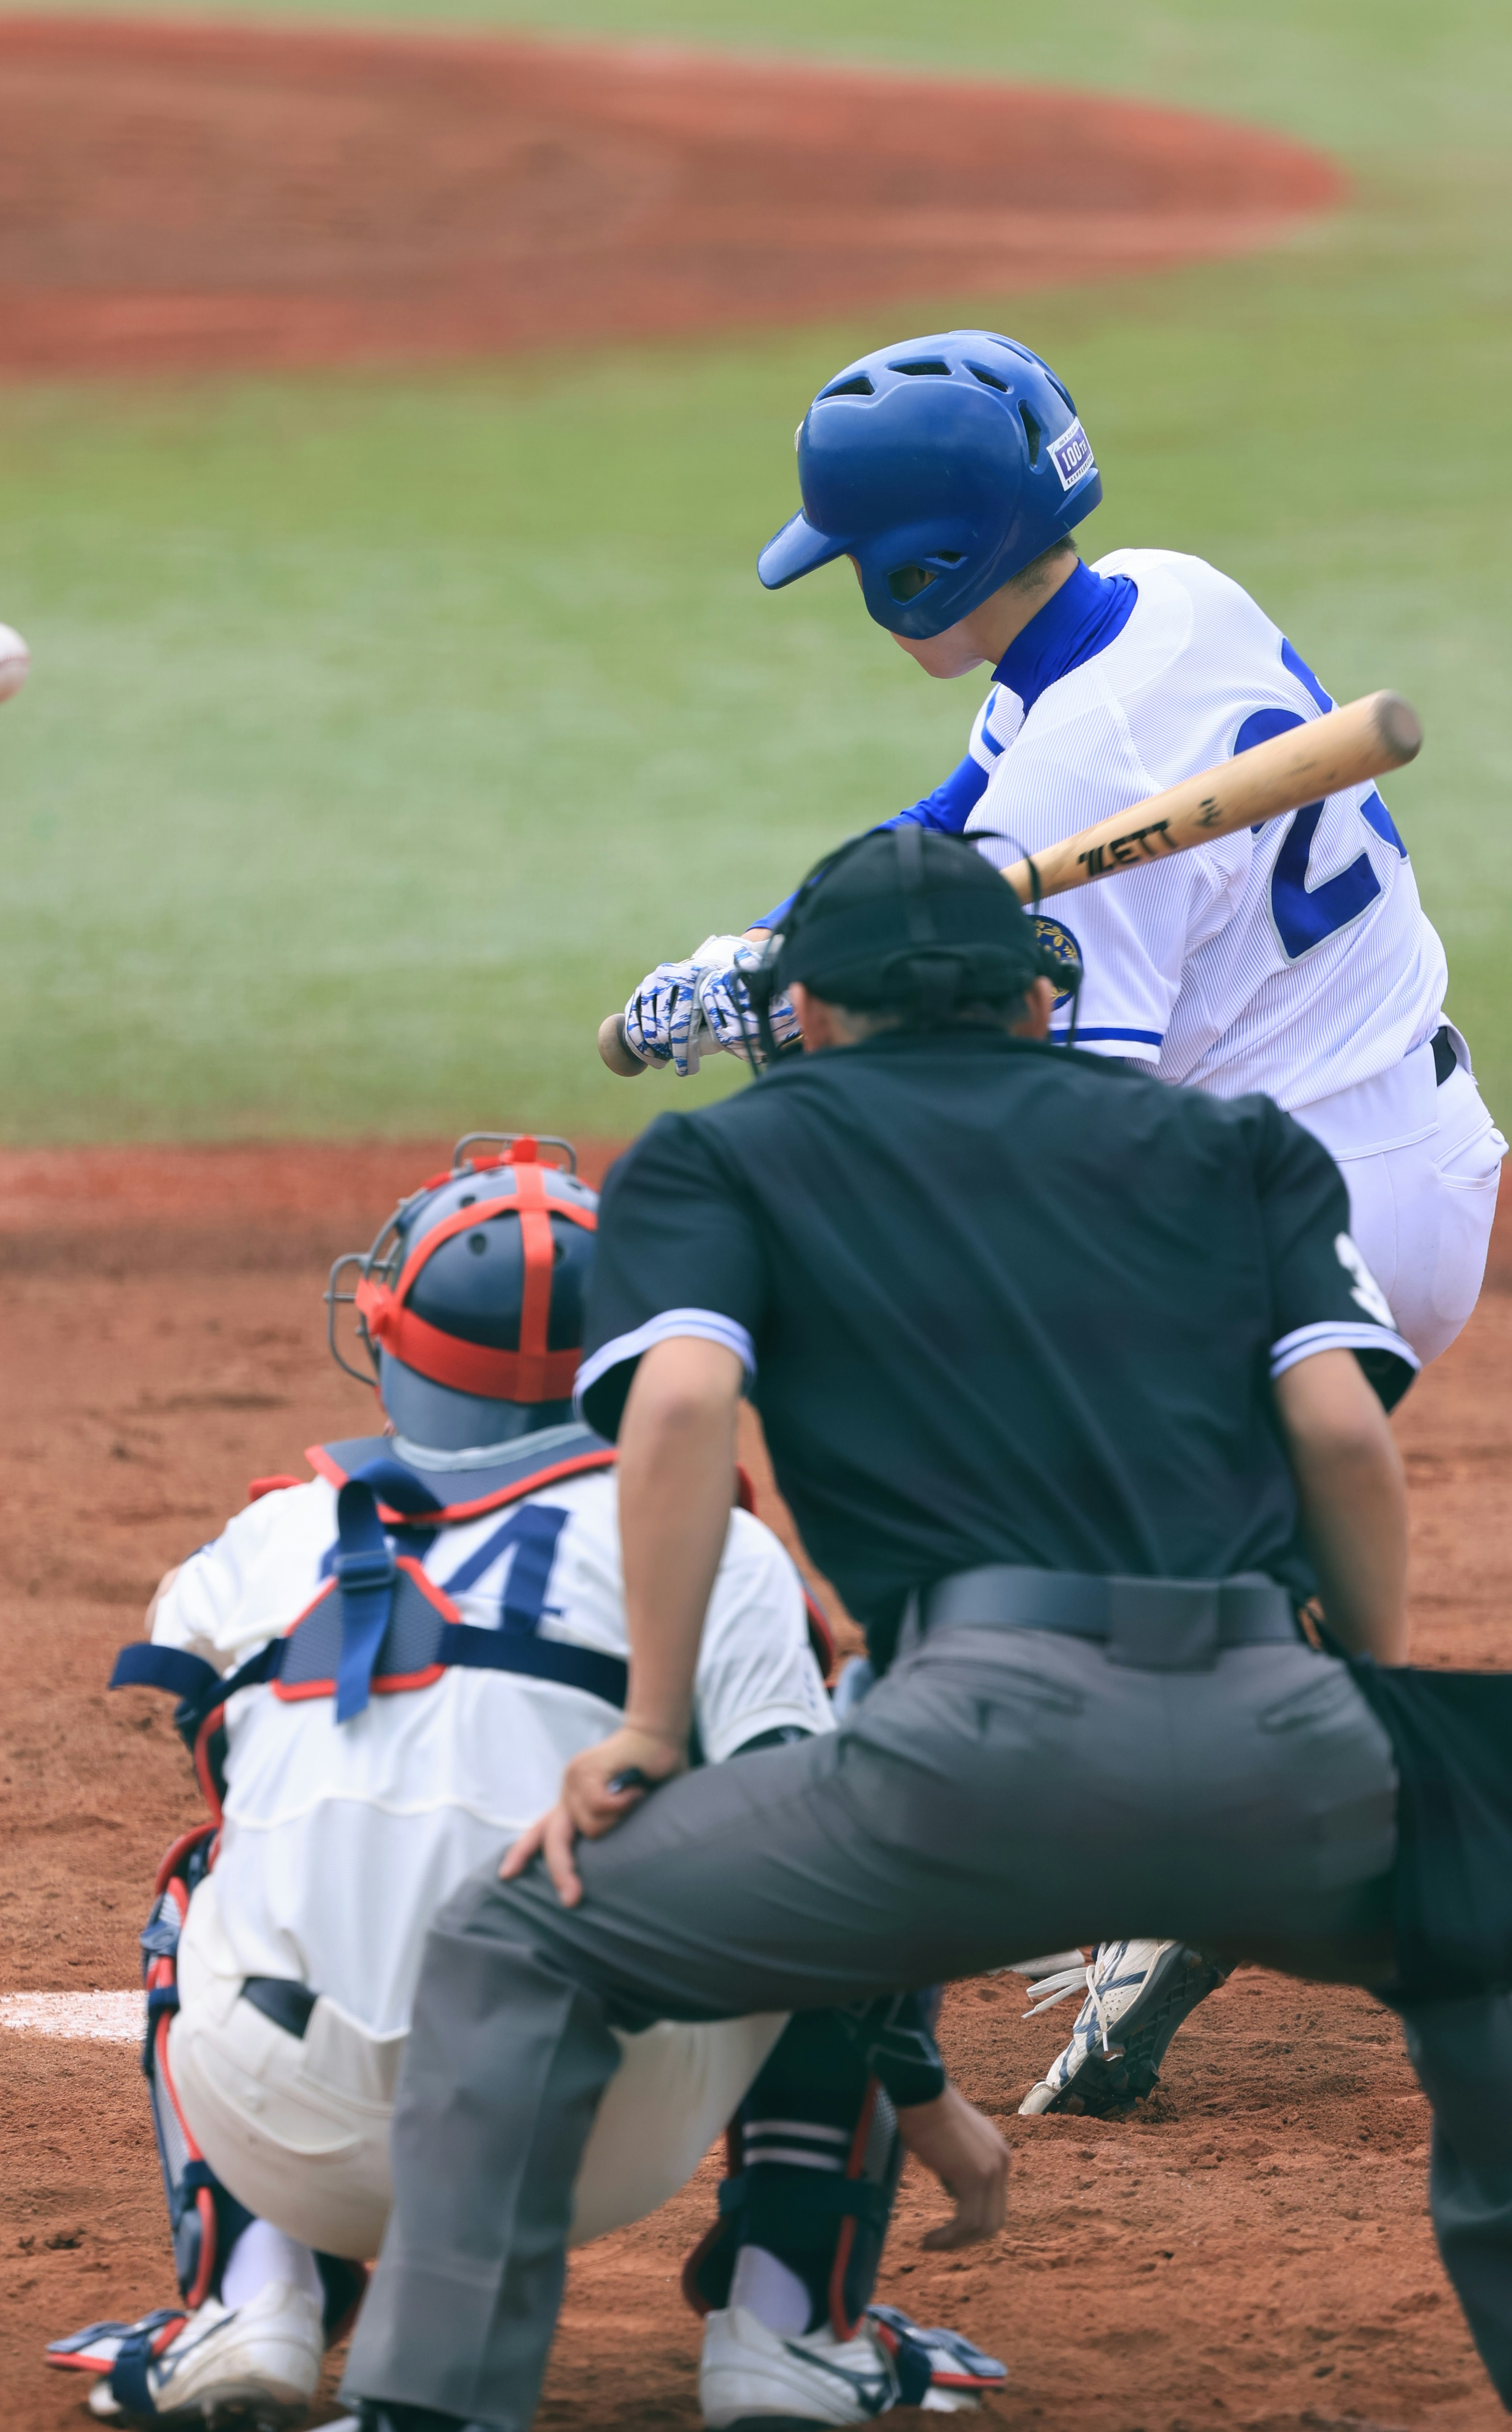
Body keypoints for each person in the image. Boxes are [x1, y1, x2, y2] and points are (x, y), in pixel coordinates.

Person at [335, 834, 1512, 2432]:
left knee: (521, 1940)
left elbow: (680, 1409)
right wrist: (1370, 1722)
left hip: (957, 1772)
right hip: (1285, 1748)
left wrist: (654, 1731)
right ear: (1043, 1002)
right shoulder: (1237, 1144)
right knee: (1487, 1930)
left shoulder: (724, 1156)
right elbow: (1347, 1442)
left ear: (804, 1012)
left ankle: (431, 2409)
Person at [613, 327, 1507, 2113]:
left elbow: (1038, 1132)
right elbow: (966, 823)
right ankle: (1255, 1721)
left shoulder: (1081, 793)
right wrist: (779, 943)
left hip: (1297, 1227)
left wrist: (788, 1021)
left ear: (917, 569)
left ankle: (1188, 1841)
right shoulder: (1166, 598)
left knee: (977, 1420)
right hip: (1419, 1157)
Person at [46, 1135, 1005, 2428]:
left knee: (209, 1878)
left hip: (294, 2128)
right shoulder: (718, 1551)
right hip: (596, 2138)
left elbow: (218, 1746)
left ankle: (248, 2301)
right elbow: (833, 1855)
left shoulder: (271, 1537)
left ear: (389, 1333)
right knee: (820, 1836)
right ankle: (792, 2327)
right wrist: (930, 2100)